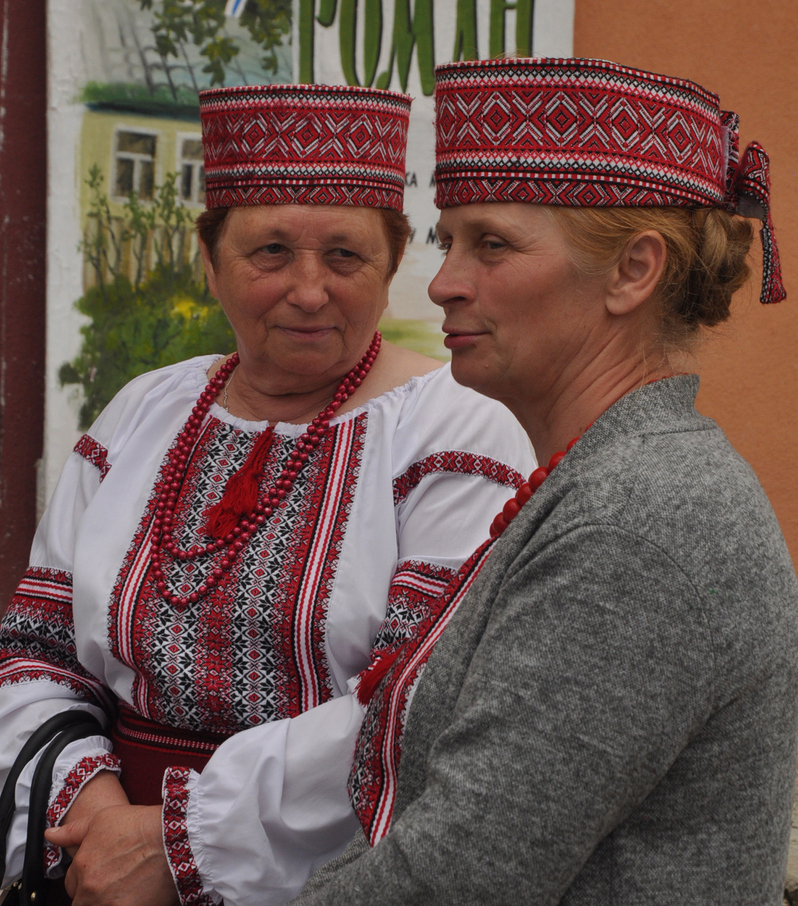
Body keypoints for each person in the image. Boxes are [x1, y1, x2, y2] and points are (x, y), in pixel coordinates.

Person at [0, 82, 533, 906]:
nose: (310, 289)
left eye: (346, 255)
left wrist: (178, 842)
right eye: (271, 252)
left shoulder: (454, 433)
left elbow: (417, 702)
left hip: (324, 879)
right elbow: (36, 648)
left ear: (394, 265)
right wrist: (93, 815)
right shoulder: (145, 411)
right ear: (210, 262)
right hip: (96, 863)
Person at [294, 57, 798, 906]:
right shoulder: (616, 479)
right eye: (448, 240)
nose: (445, 281)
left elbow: (453, 881)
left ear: (634, 272)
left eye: (492, 244)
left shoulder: (635, 526)